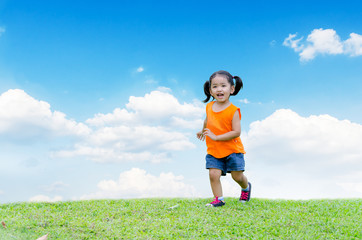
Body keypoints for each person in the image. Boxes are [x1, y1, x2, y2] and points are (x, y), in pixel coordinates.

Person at [196, 70, 251, 207]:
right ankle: (218, 199)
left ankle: (246, 188)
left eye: (223, 86)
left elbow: (236, 132)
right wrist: (203, 131)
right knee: (213, 174)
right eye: (215, 86)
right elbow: (207, 120)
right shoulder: (209, 106)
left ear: (231, 89)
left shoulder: (233, 111)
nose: (219, 89)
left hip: (233, 150)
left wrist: (216, 137)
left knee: (237, 176)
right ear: (210, 91)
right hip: (214, 149)